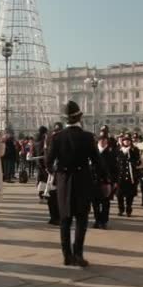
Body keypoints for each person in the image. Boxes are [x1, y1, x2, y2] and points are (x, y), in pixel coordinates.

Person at [46, 101, 108, 267]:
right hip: (82, 181)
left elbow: (48, 161)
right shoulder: (87, 137)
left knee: (65, 220)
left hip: (64, 183)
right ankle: (78, 254)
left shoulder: (57, 137)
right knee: (81, 219)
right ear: (79, 118)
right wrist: (104, 180)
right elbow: (97, 161)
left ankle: (67, 256)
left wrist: (57, 174)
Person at [92, 135, 117, 229]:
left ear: (107, 142)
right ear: (98, 141)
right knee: (95, 203)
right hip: (95, 181)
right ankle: (97, 220)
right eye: (101, 140)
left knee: (105, 203)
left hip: (107, 182)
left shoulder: (111, 153)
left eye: (104, 140)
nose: (102, 142)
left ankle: (104, 221)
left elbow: (116, 168)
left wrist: (115, 181)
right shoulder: (94, 152)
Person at [116, 135, 140, 218]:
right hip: (120, 176)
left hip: (131, 176)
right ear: (122, 141)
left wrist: (132, 160)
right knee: (119, 194)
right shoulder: (118, 150)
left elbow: (138, 162)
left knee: (130, 195)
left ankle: (128, 210)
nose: (126, 142)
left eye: (128, 140)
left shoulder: (134, 150)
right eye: (125, 140)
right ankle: (120, 209)